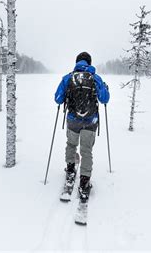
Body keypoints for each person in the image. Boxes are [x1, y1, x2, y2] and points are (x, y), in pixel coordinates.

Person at [54, 52, 110, 202]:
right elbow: (104, 99)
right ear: (89, 63)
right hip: (90, 121)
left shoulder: (68, 78)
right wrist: (105, 88)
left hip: (73, 120)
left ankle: (71, 170)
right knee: (86, 151)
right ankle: (84, 182)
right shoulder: (95, 78)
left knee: (71, 145)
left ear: (77, 62)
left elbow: (58, 99)